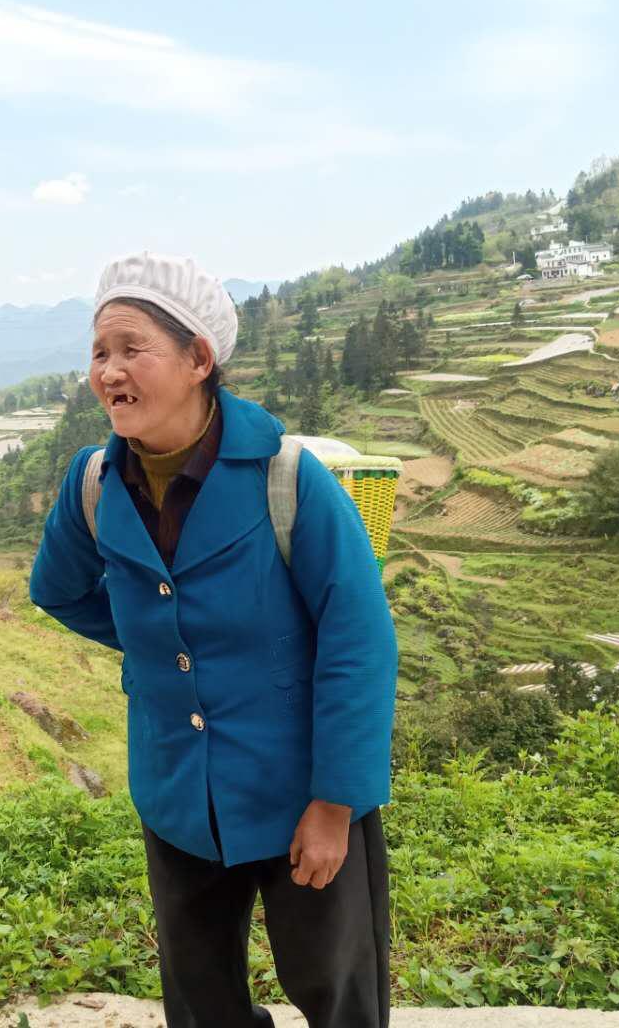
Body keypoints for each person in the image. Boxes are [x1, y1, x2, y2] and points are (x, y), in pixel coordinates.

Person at [29, 252, 397, 1028]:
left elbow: (358, 642)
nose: (109, 371)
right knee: (201, 1000)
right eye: (100, 351)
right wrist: (154, 643)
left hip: (300, 787)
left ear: (200, 358)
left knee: (336, 991)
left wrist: (336, 804)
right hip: (178, 791)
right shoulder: (94, 481)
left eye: (133, 348)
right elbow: (56, 589)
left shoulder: (288, 478)